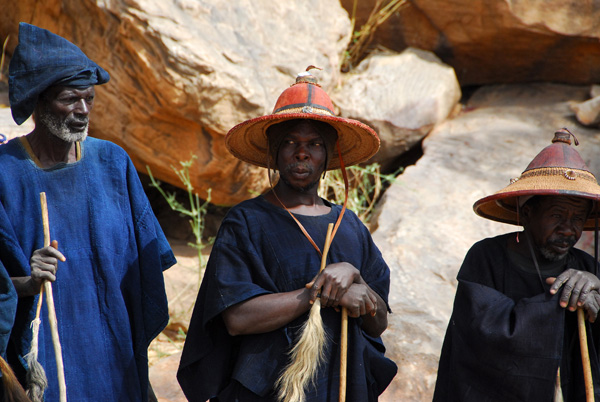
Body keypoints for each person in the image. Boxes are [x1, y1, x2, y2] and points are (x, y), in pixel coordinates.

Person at [177, 69, 397, 401]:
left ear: (328, 156)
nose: (301, 152)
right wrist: (320, 293)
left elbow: (378, 323)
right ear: (274, 153)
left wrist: (357, 282)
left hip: (341, 387)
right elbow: (237, 318)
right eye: (290, 142)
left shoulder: (349, 225)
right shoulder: (246, 221)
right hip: (268, 388)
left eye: (314, 144)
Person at [0, 23, 176, 401]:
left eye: (89, 99)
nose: (82, 111)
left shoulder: (113, 163)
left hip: (114, 355)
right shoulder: (4, 174)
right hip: (42, 363)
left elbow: (144, 273)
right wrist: (27, 283)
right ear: (39, 101)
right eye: (69, 99)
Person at [433, 128, 600, 401]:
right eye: (557, 215)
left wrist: (596, 292)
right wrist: (560, 300)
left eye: (578, 219)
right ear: (528, 212)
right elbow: (483, 333)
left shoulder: (587, 267)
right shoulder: (486, 257)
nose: (568, 230)